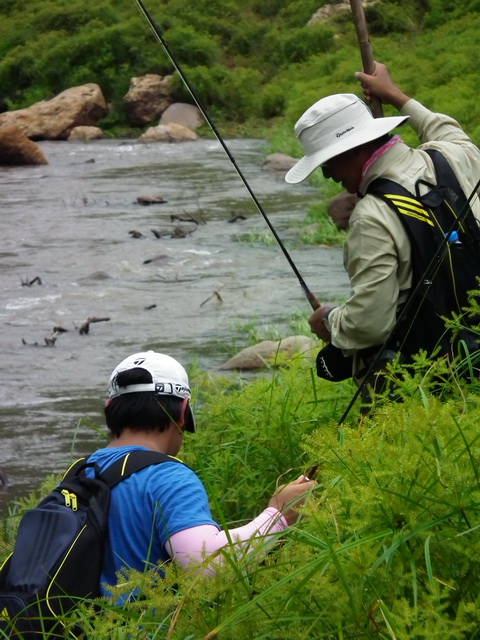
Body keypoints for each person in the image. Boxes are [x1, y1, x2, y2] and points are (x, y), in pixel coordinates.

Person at [285, 62, 480, 389]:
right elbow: (441, 127)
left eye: (326, 163)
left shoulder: (371, 216)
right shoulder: (456, 154)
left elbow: (369, 324)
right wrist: (396, 96)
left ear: (353, 150)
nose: (328, 175)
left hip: (434, 384)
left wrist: (330, 321)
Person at [89, 350, 315, 595]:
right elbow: (209, 566)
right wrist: (278, 515)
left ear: (108, 409)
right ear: (183, 410)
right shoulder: (167, 477)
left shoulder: (82, 470)